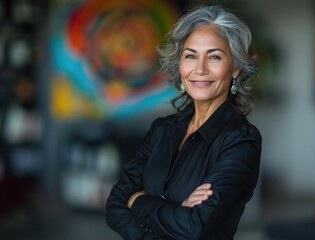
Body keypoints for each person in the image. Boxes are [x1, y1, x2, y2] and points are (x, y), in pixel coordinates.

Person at [106, 5, 261, 240]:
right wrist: (171, 215)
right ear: (180, 66)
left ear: (235, 69)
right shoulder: (162, 130)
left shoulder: (241, 140)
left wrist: (137, 200)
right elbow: (115, 205)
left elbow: (193, 227)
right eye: (190, 56)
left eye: (214, 57)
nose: (200, 69)